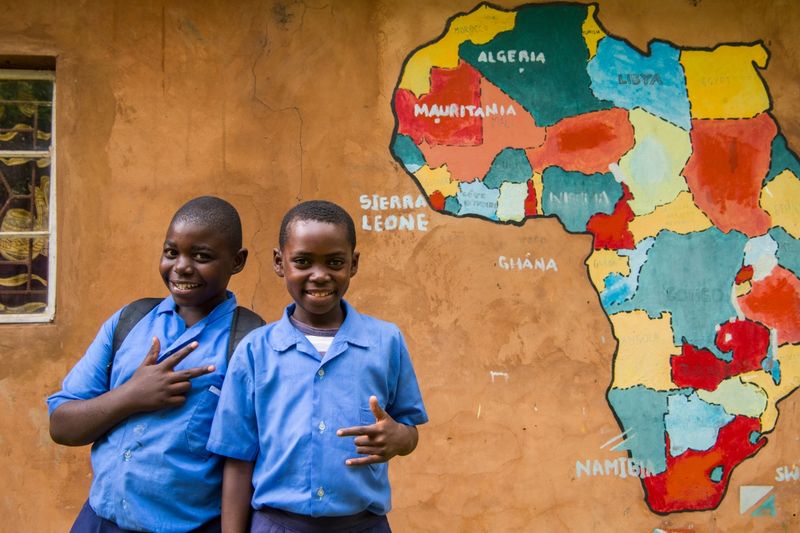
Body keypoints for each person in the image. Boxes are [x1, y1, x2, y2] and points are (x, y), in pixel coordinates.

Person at [208, 200, 428, 532]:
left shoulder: (386, 342)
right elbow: (238, 459)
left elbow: (409, 429)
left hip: (363, 525)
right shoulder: (255, 350)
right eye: (303, 261)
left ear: (353, 264)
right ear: (280, 263)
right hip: (277, 523)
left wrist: (400, 438)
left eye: (335, 262)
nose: (320, 275)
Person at [48, 196, 258, 533]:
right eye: (172, 252)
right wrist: (130, 395)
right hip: (98, 521)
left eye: (202, 256)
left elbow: (253, 458)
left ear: (237, 261)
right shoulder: (129, 322)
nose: (182, 267)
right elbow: (61, 426)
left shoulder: (249, 343)